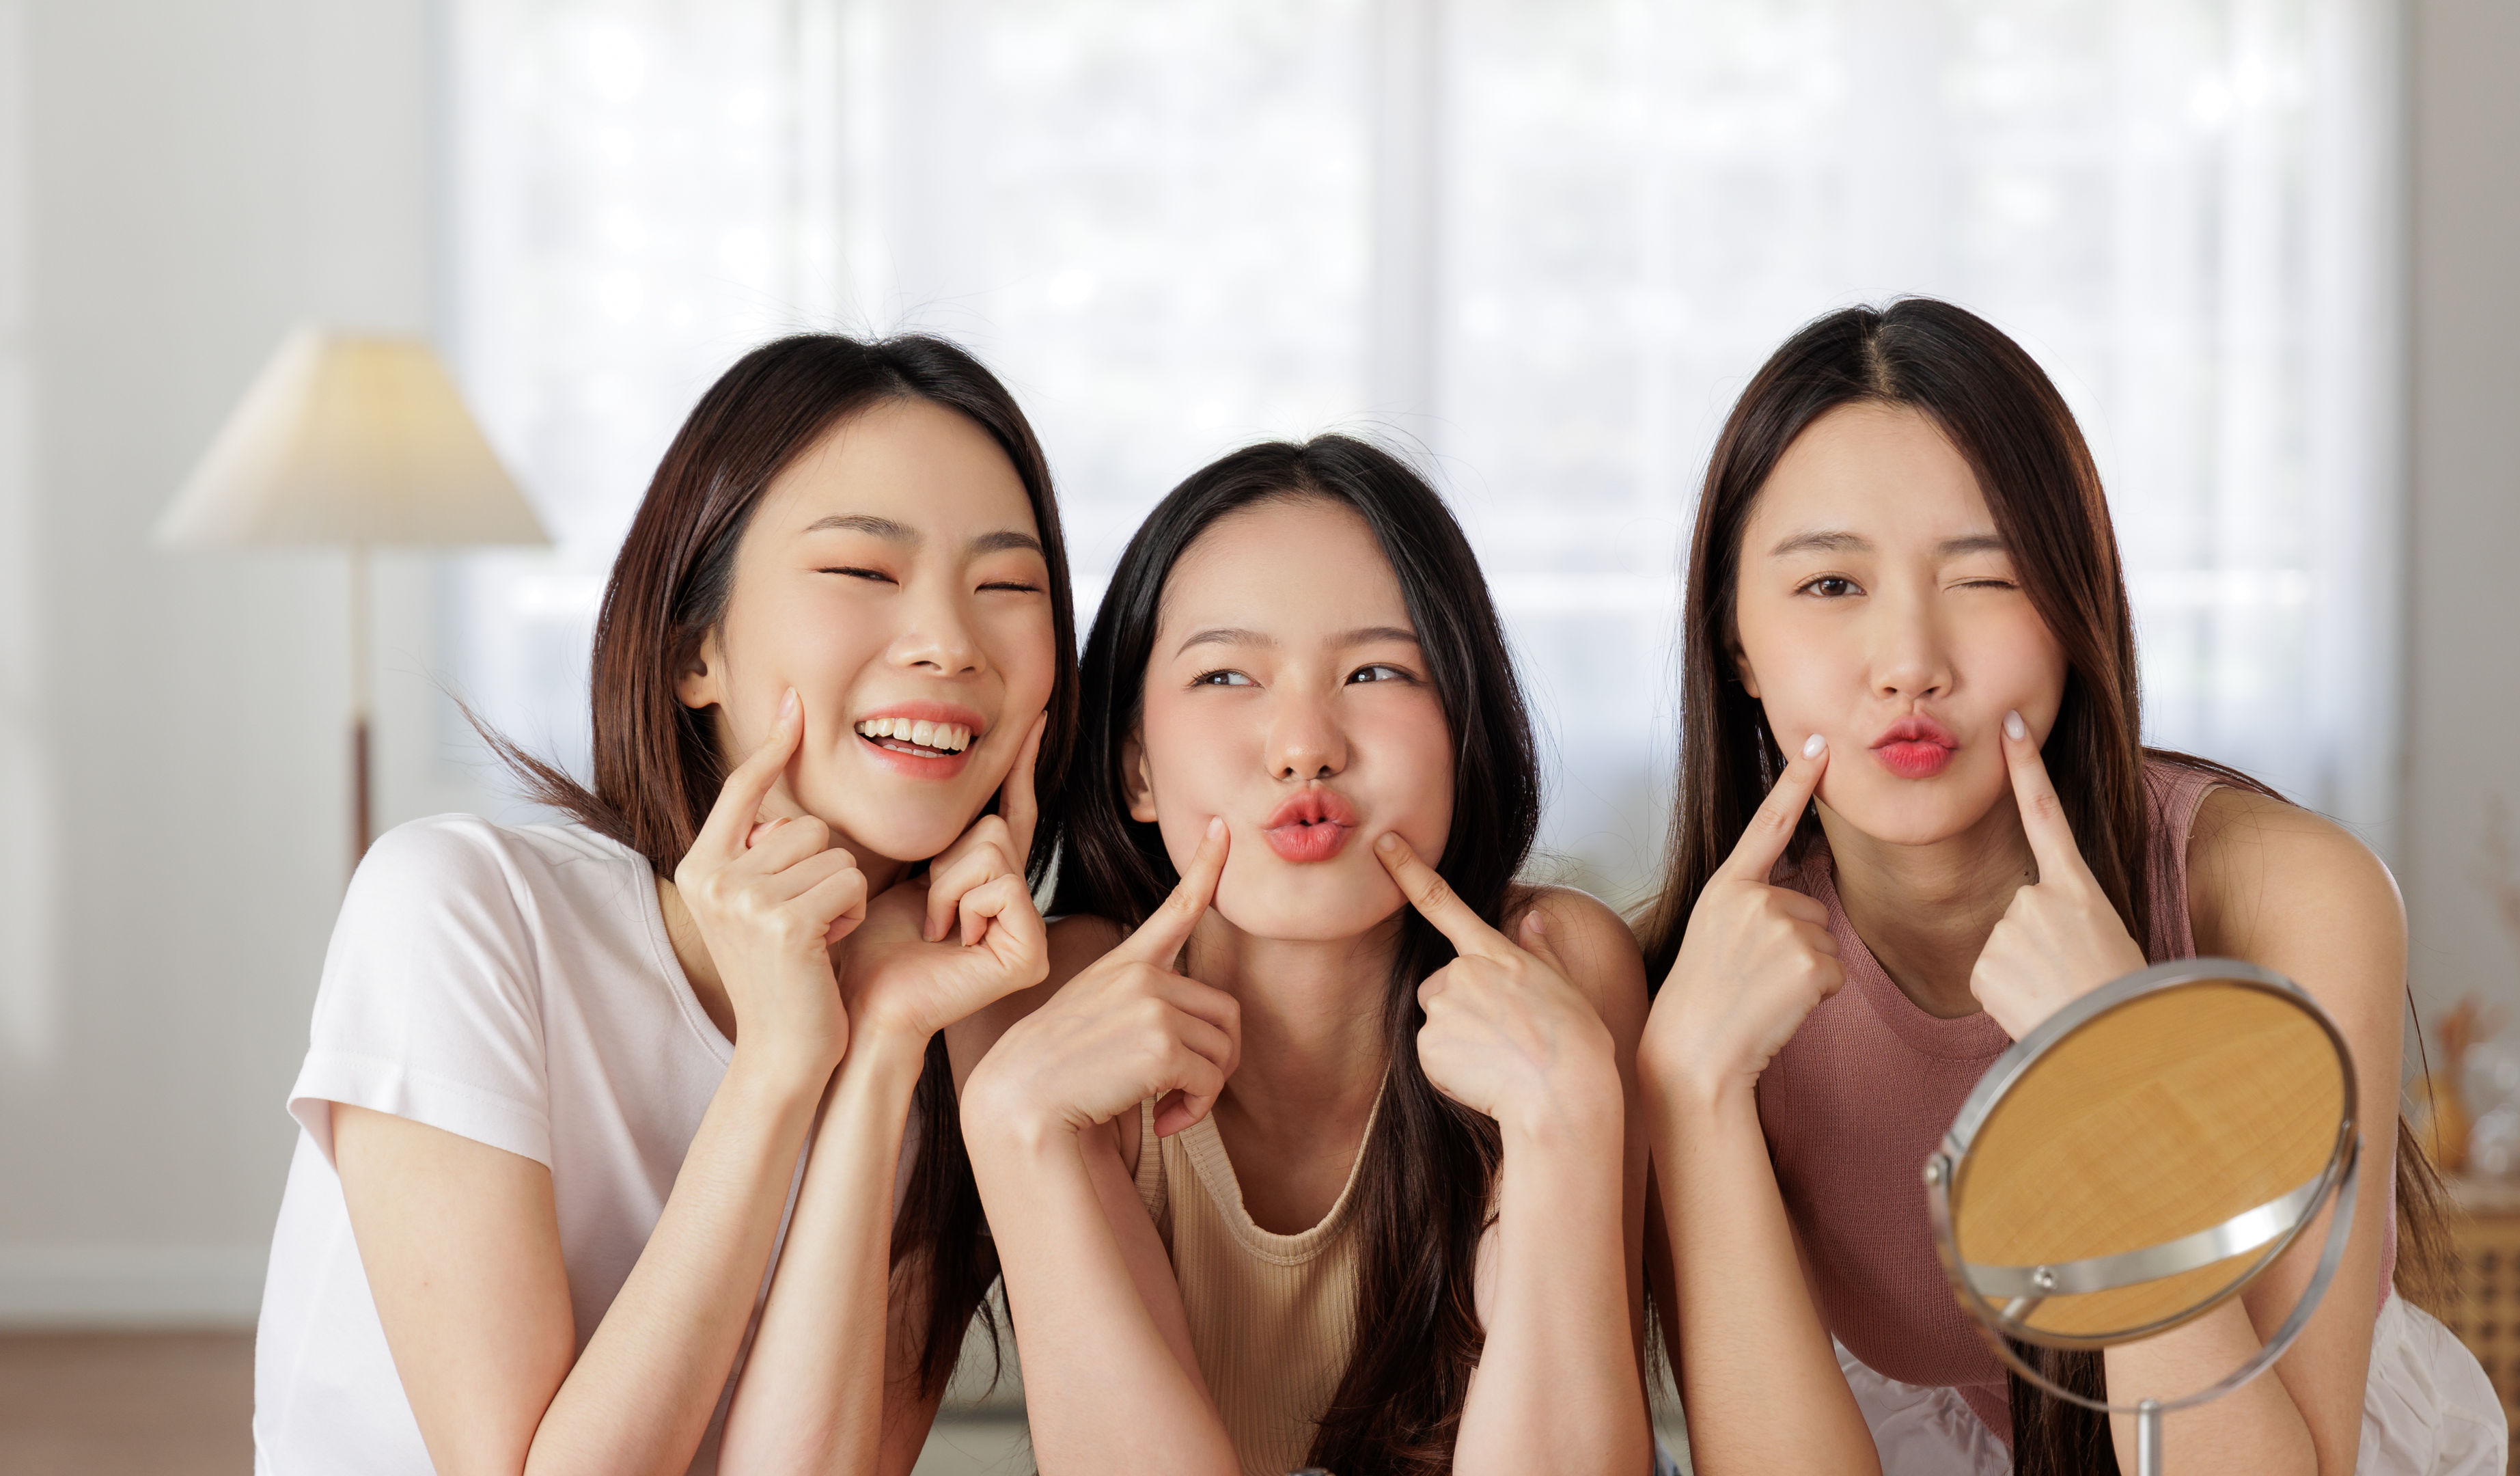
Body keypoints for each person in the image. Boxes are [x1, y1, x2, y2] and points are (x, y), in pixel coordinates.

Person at [1638, 299, 2506, 1475]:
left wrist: (2113, 1076)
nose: (1909, 665)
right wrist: (1690, 1090)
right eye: (1831, 586)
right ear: (1734, 639)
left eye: (1984, 577)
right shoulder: (1695, 991)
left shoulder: (2286, 900)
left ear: (2071, 608)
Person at [251, 333, 1075, 1475]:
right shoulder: (461, 910)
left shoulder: (969, 1036)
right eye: (863, 573)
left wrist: (883, 1045)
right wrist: (782, 1063)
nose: (949, 642)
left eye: (1008, 586)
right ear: (697, 650)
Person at [956, 436, 1657, 1476]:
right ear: (1137, 768)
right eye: (1227, 674)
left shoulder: (1560, 970)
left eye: (1375, 670)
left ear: (1464, 730)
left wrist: (1566, 1122)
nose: (1303, 744)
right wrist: (1013, 1124)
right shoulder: (1042, 1005)